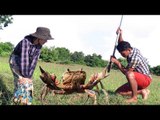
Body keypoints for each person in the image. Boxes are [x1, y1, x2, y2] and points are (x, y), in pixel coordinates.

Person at [9, 27, 54, 105]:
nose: (46, 41)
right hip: (16, 60)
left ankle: (26, 102)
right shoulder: (25, 42)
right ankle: (16, 101)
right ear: (39, 37)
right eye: (45, 39)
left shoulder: (39, 45)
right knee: (21, 82)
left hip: (25, 62)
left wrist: (29, 77)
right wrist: (24, 77)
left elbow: (33, 62)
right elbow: (24, 59)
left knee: (28, 84)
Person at [110, 27, 152, 103]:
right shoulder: (131, 49)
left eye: (123, 53)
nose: (122, 55)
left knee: (129, 74)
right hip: (136, 79)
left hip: (145, 79)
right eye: (121, 53)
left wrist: (117, 63)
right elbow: (121, 43)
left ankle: (134, 98)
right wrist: (120, 34)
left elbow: (127, 73)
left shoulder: (135, 58)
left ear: (129, 50)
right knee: (118, 93)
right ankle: (142, 91)